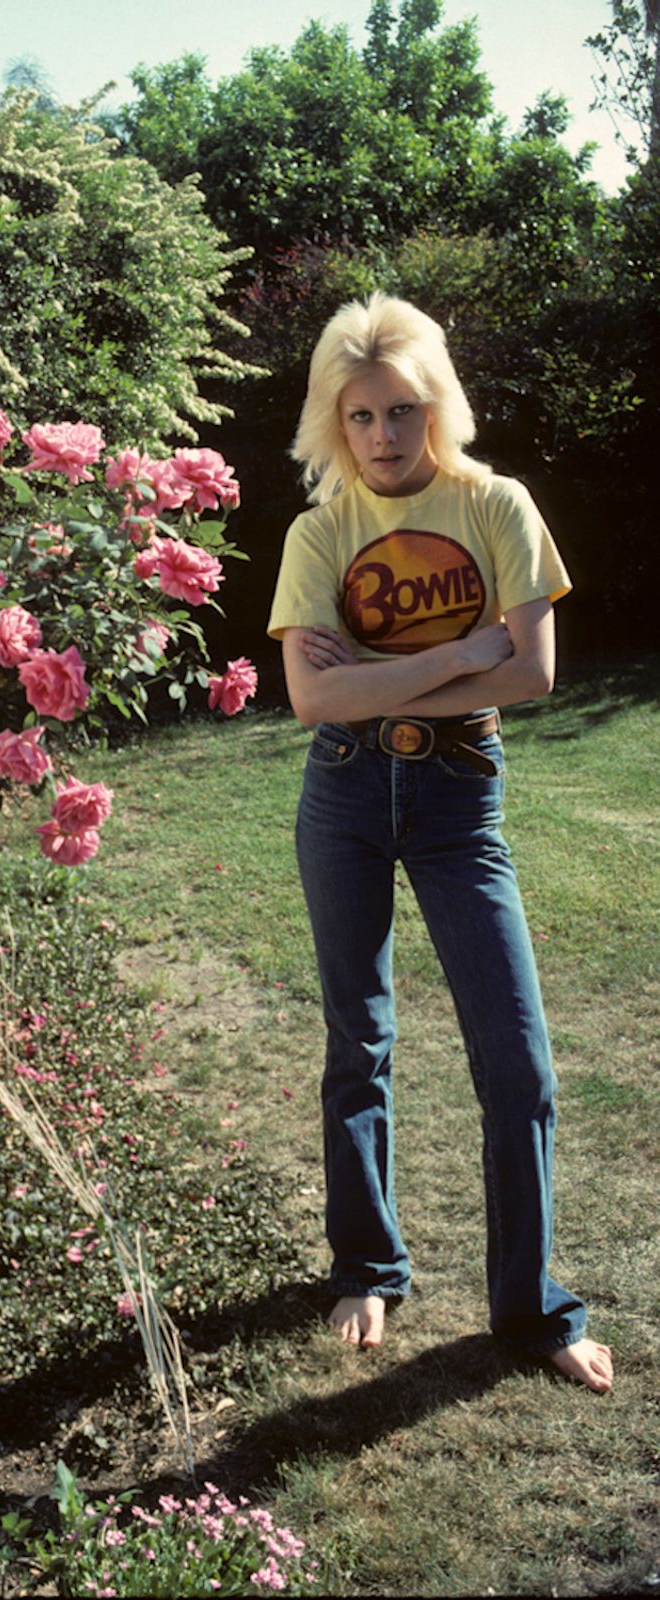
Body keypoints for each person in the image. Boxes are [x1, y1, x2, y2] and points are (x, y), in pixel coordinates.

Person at [267, 291, 613, 1393]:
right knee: (357, 1040)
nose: (383, 436)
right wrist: (452, 652)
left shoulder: (496, 505)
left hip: (463, 798)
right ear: (335, 419)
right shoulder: (318, 531)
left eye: (403, 410)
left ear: (437, 407)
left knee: (518, 1063)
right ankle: (367, 1264)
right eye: (361, 415)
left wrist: (375, 676)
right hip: (347, 795)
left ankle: (533, 1310)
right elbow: (312, 703)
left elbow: (534, 673)